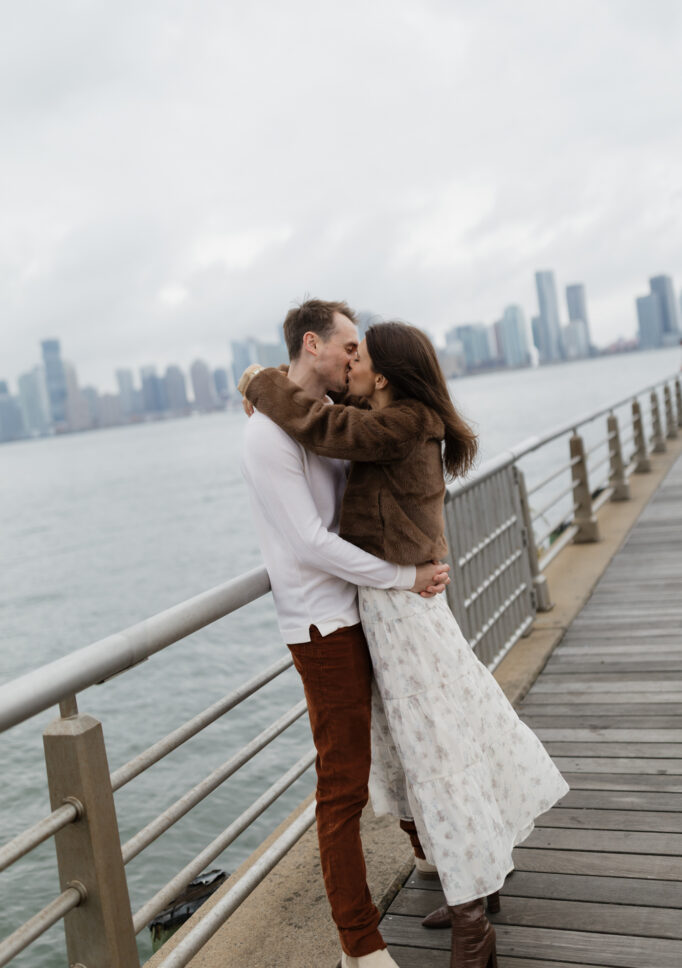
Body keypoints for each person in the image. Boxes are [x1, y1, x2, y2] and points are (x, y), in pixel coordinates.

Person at [241, 320, 569, 968]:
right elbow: (329, 414)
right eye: (346, 348)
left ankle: (473, 923)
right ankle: (477, 886)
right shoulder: (389, 415)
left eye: (359, 354)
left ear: (383, 374)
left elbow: (324, 427)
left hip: (401, 613)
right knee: (438, 749)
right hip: (386, 610)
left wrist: (259, 381)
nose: (351, 364)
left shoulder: (398, 424)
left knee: (439, 758)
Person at [239, 300, 451, 968]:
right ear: (314, 344)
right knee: (342, 786)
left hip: (365, 607)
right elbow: (310, 541)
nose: (357, 357)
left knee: (402, 740)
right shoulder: (268, 436)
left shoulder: (332, 415)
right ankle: (359, 944)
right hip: (321, 623)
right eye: (349, 345)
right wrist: (404, 576)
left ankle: (426, 852)